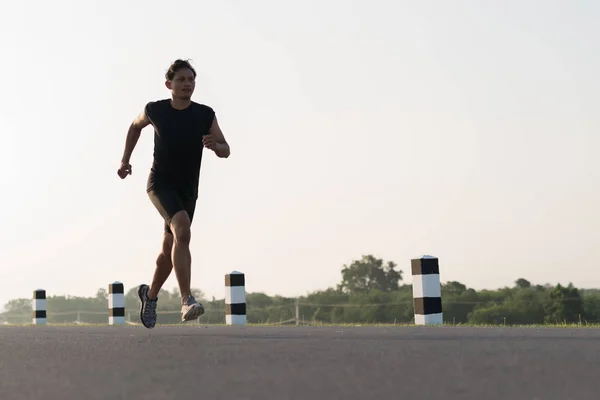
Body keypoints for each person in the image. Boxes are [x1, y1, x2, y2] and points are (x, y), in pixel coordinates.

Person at [117, 59, 230, 329]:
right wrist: (125, 160)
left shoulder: (204, 114)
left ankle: (150, 295)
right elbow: (135, 127)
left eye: (191, 79)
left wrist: (215, 145)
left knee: (170, 248)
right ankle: (186, 299)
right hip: (160, 184)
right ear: (169, 84)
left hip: (188, 189)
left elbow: (226, 149)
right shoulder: (155, 110)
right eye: (181, 79)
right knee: (182, 229)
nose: (186, 84)